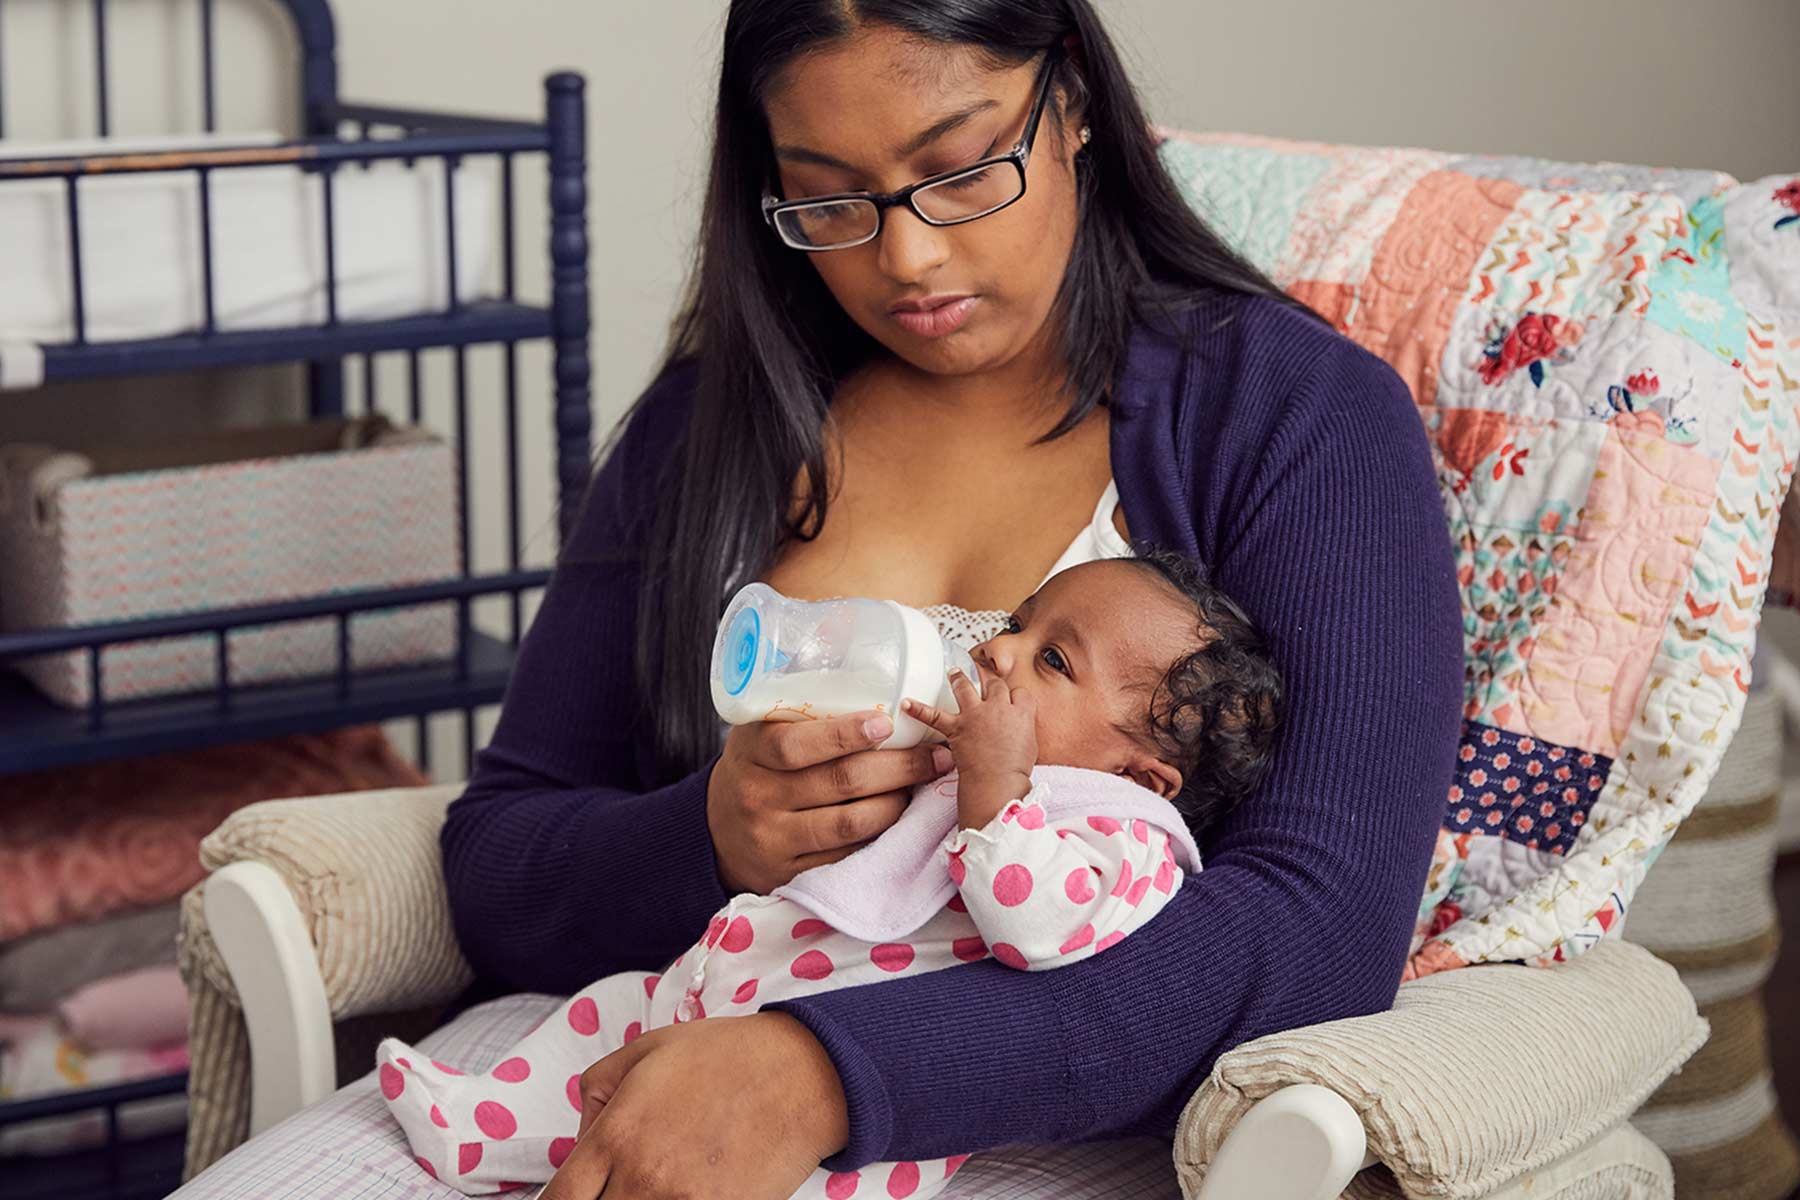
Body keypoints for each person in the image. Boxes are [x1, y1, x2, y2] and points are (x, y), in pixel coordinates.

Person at [440, 2, 1465, 1198]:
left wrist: (818, 1075)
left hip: (1052, 1131)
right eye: (829, 197)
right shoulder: (708, 427)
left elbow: (1320, 933)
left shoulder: (1296, 417)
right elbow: (496, 860)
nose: (906, 260)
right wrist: (710, 838)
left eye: (959, 170)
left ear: (1072, 100)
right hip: (616, 1078)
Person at [380, 550, 1281, 1196]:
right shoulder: (968, 756)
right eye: (1018, 624)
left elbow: (1038, 923)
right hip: (732, 981)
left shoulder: (1128, 837)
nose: (998, 652)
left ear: (1139, 774)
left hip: (850, 1081)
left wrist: (999, 791)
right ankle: (486, 1129)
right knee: (612, 1016)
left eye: (1052, 660)